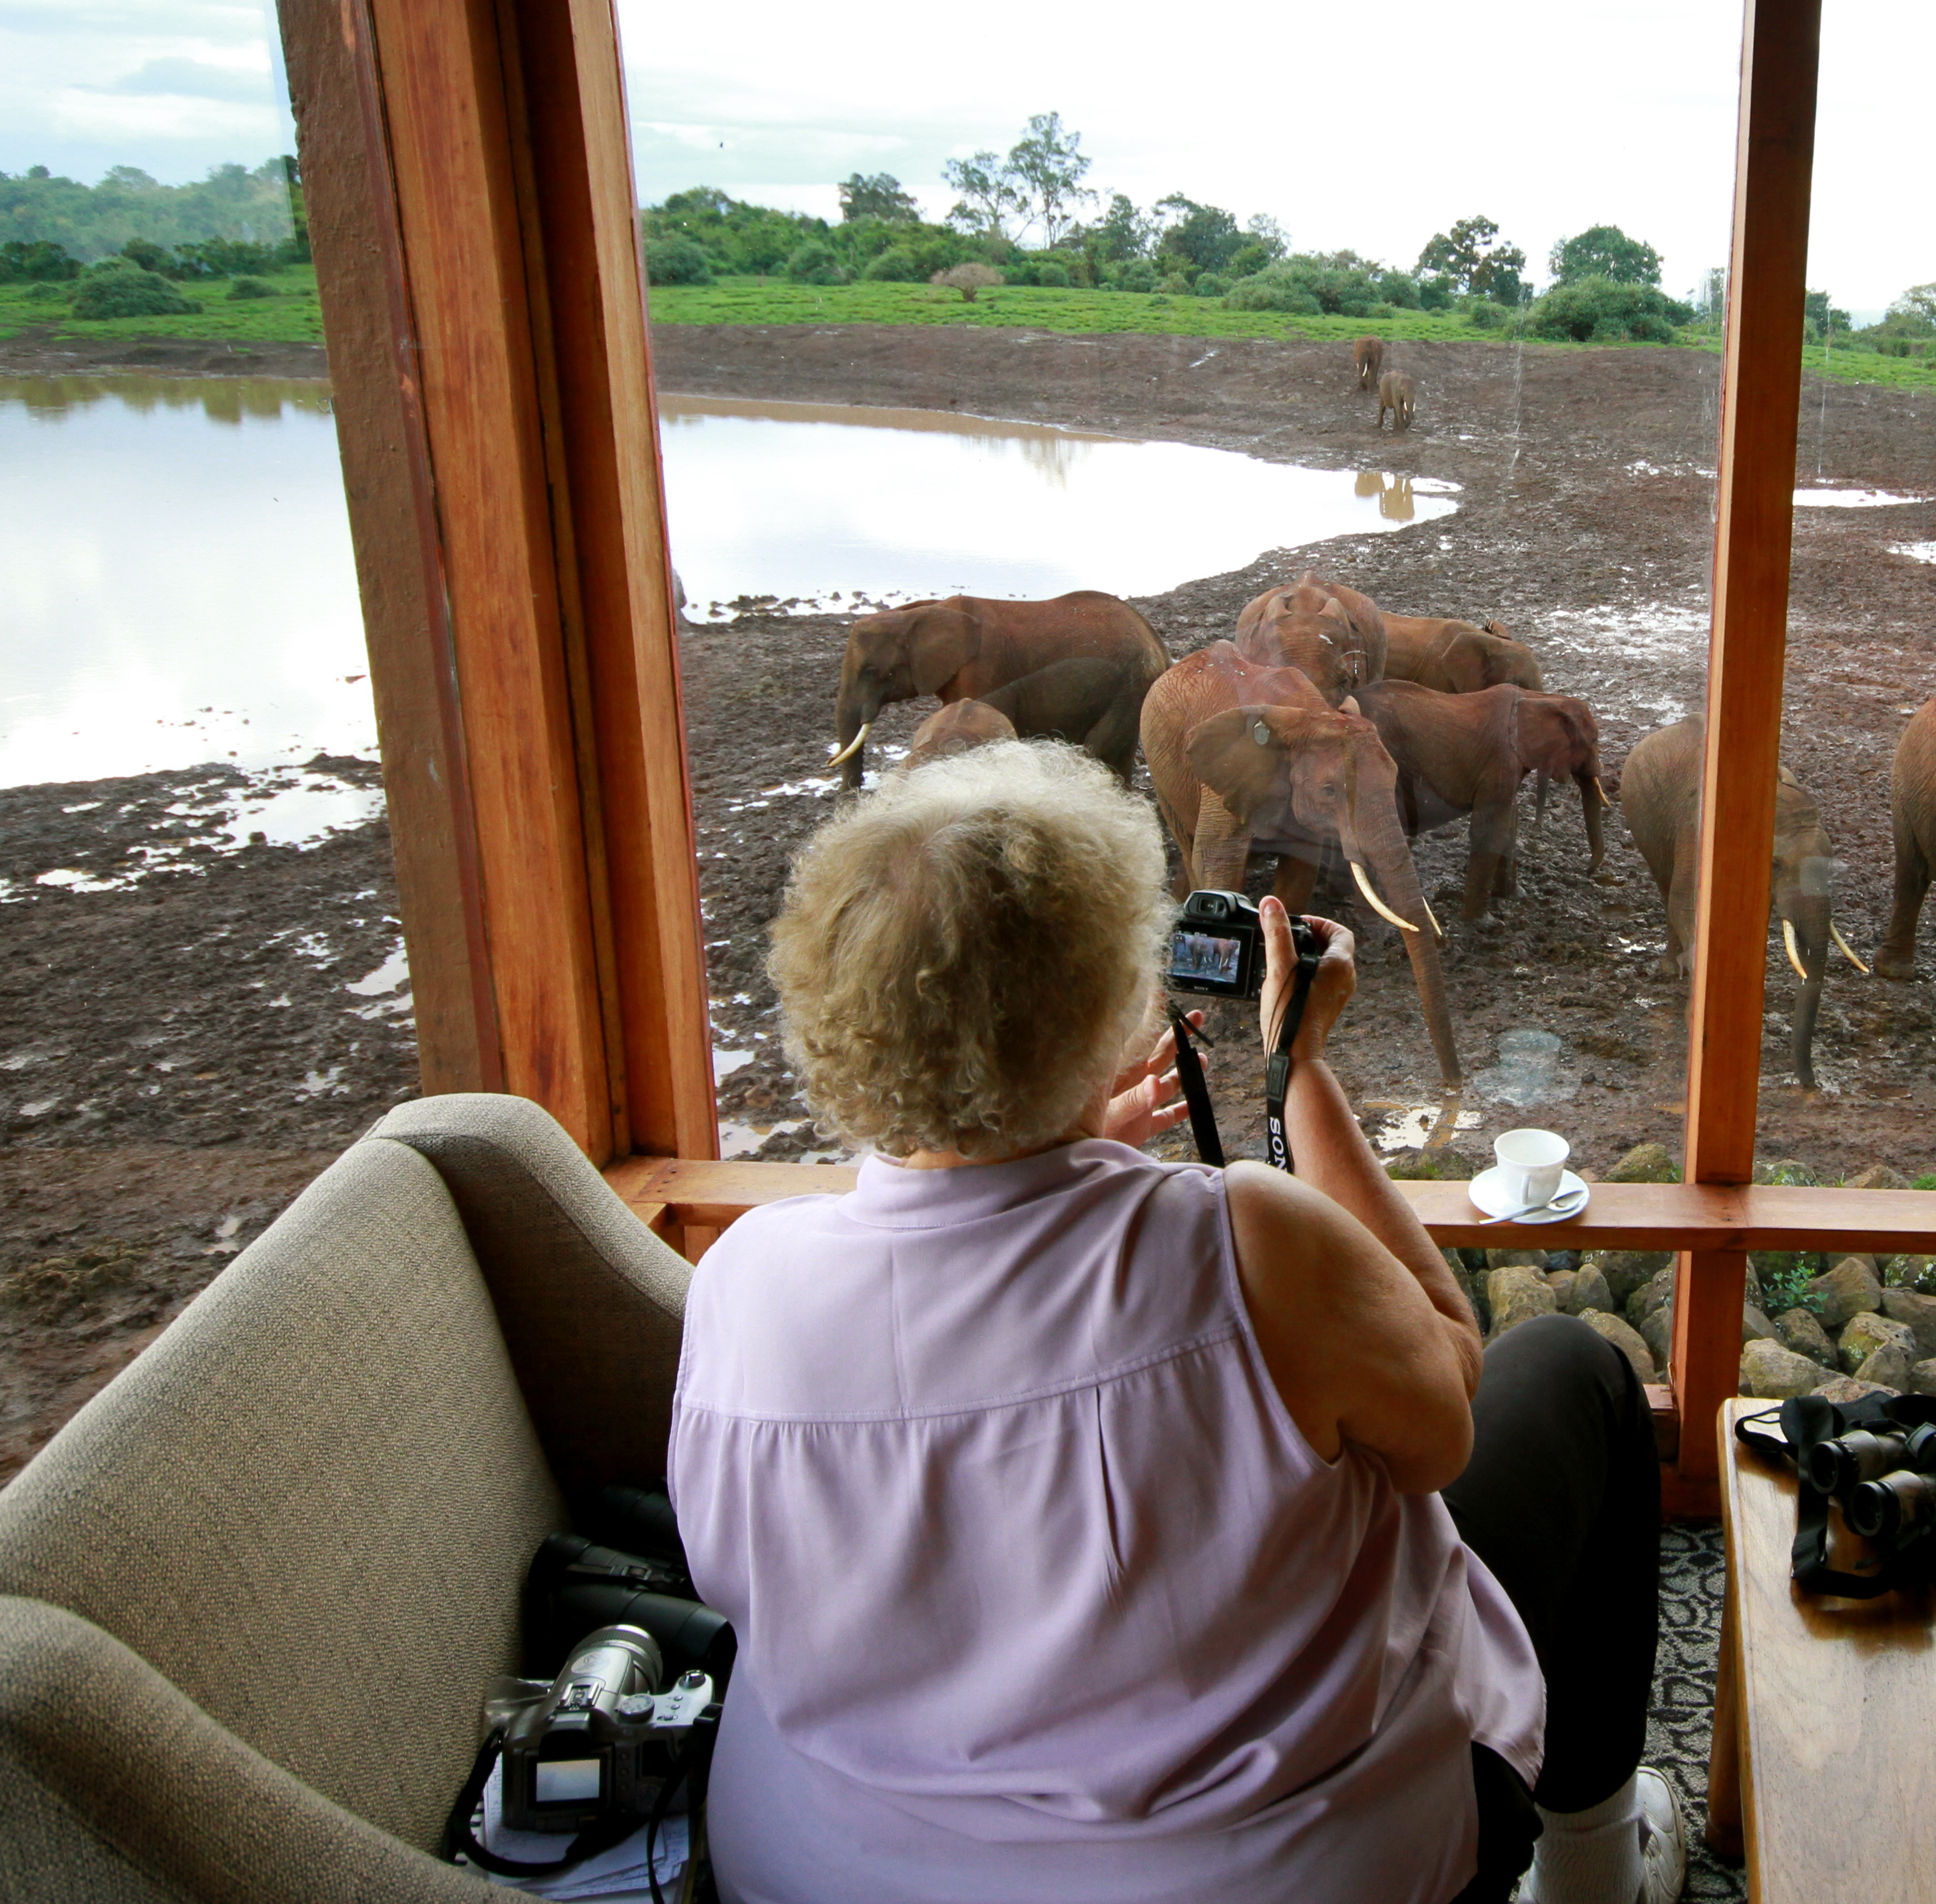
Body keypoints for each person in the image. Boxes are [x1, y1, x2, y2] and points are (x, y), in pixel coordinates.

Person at [667, 736, 1685, 1904]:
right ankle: (1600, 1865)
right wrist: (1300, 1071)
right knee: (1571, 1368)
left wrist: (1048, 1145)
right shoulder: (1238, 1238)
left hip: (828, 1870)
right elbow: (1444, 1416)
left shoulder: (741, 1285)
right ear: (1107, 996)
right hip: (1269, 1872)